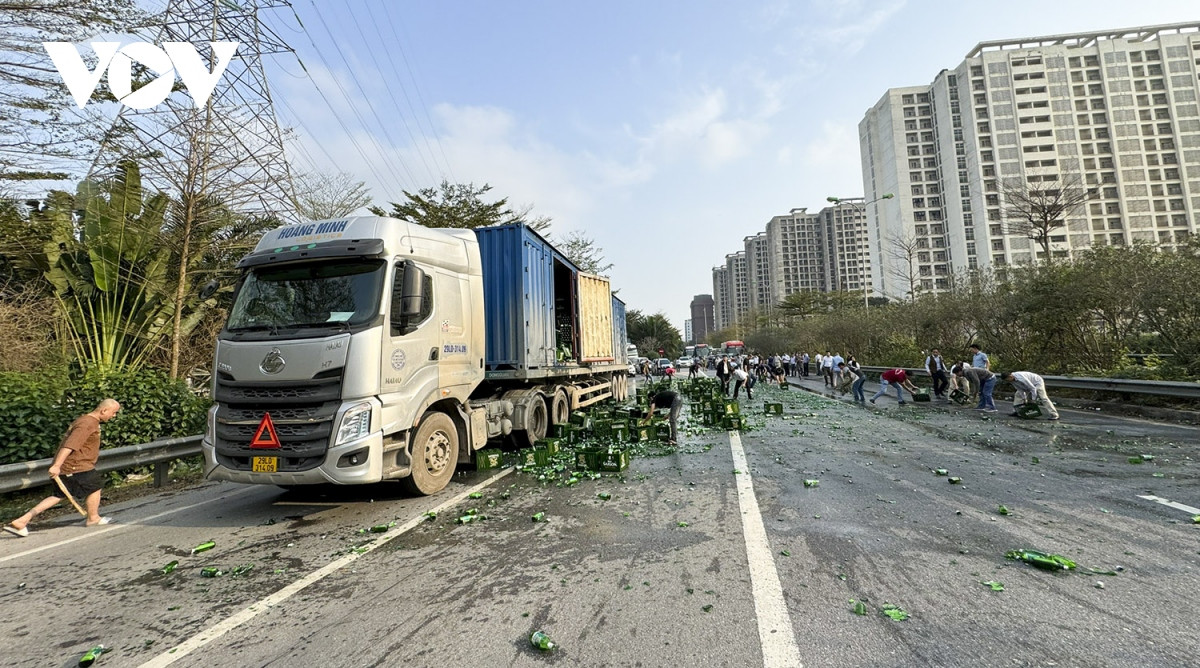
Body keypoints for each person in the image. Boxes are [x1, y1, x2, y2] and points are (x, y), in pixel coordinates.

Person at [5, 399, 121, 537]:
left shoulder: (87, 420)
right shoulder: (87, 423)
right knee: (95, 485)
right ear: (104, 410)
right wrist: (57, 465)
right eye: (114, 413)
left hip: (75, 465)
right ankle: (93, 518)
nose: (114, 416)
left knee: (59, 495)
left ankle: (22, 521)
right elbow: (70, 445)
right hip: (75, 466)